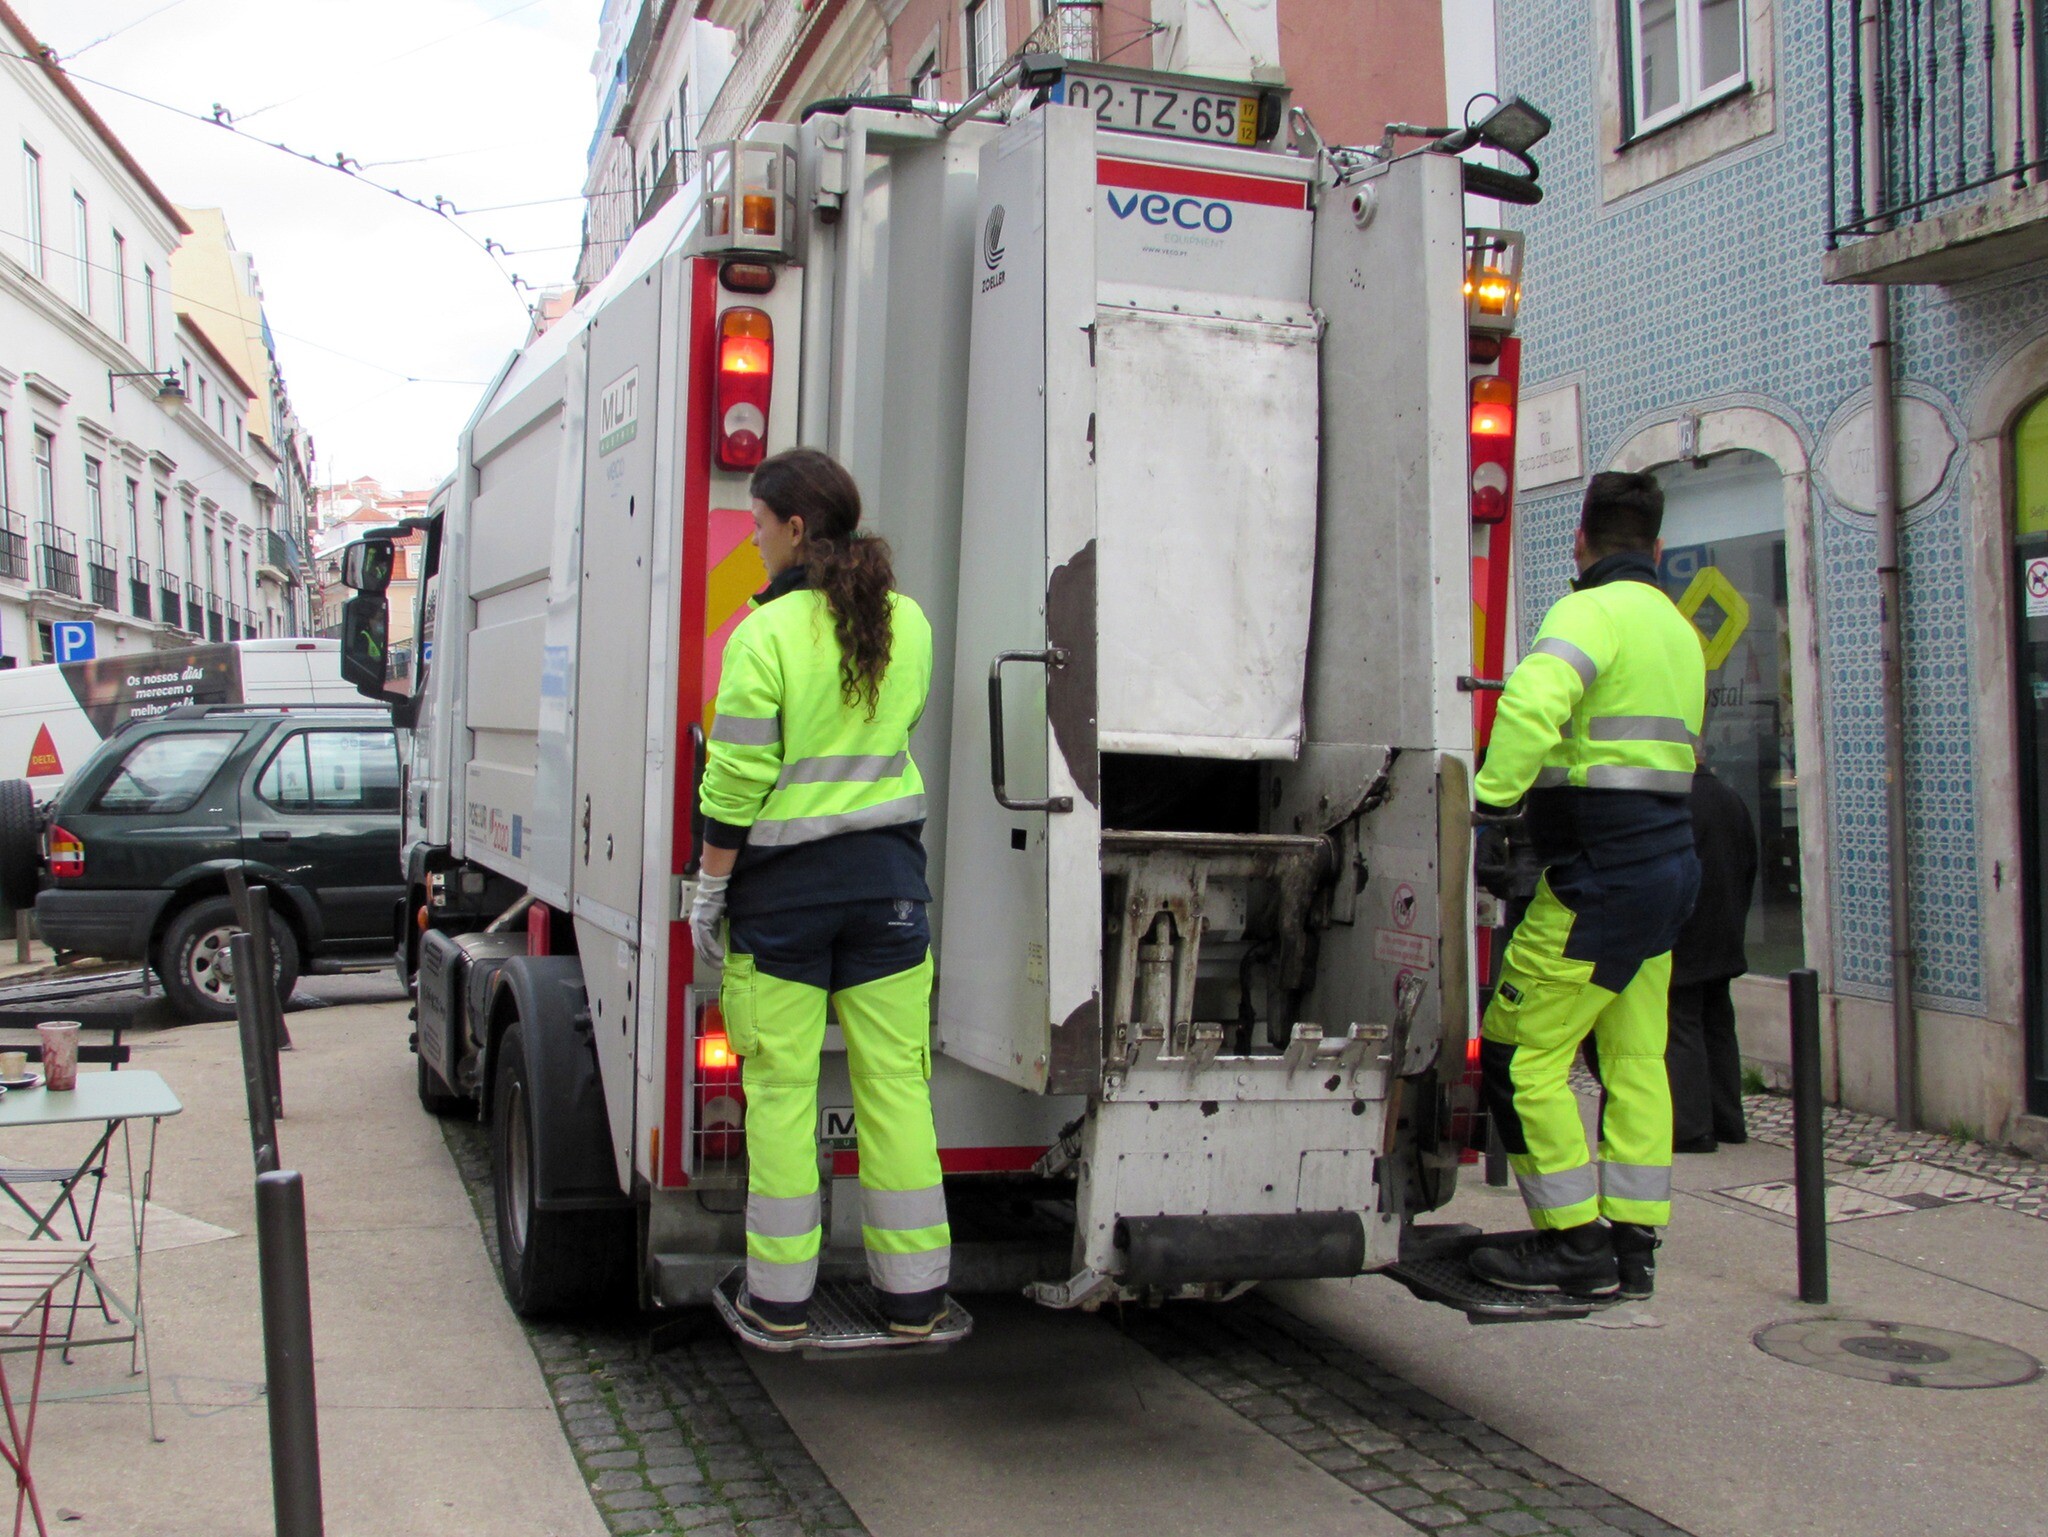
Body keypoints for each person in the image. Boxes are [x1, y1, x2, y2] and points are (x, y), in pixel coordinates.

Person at [687, 448, 950, 1340]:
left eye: (758, 526)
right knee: (896, 1092)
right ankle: (914, 1299)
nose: (754, 543)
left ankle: (782, 1301)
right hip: (889, 894)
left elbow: (735, 782)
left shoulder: (762, 636)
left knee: (785, 1097)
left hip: (785, 902)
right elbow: (896, 736)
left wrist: (707, 892)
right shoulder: (905, 621)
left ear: (796, 529)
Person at [1464, 471, 1705, 1300]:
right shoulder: (1677, 631)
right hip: (1669, 872)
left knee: (1519, 1053)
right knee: (1636, 1056)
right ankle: (1633, 1246)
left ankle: (1570, 1242)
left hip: (1600, 879)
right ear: (1658, 548)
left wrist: (1488, 808)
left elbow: (1532, 705)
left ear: (1581, 541)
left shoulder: (1586, 612)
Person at [1667, 756, 1758, 1153]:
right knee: (1718, 1025)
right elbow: (1750, 863)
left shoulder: (1675, 803)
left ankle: (1692, 1128)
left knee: (1680, 1026)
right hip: (1724, 930)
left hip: (1686, 931)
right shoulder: (1730, 798)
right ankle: (1728, 1120)